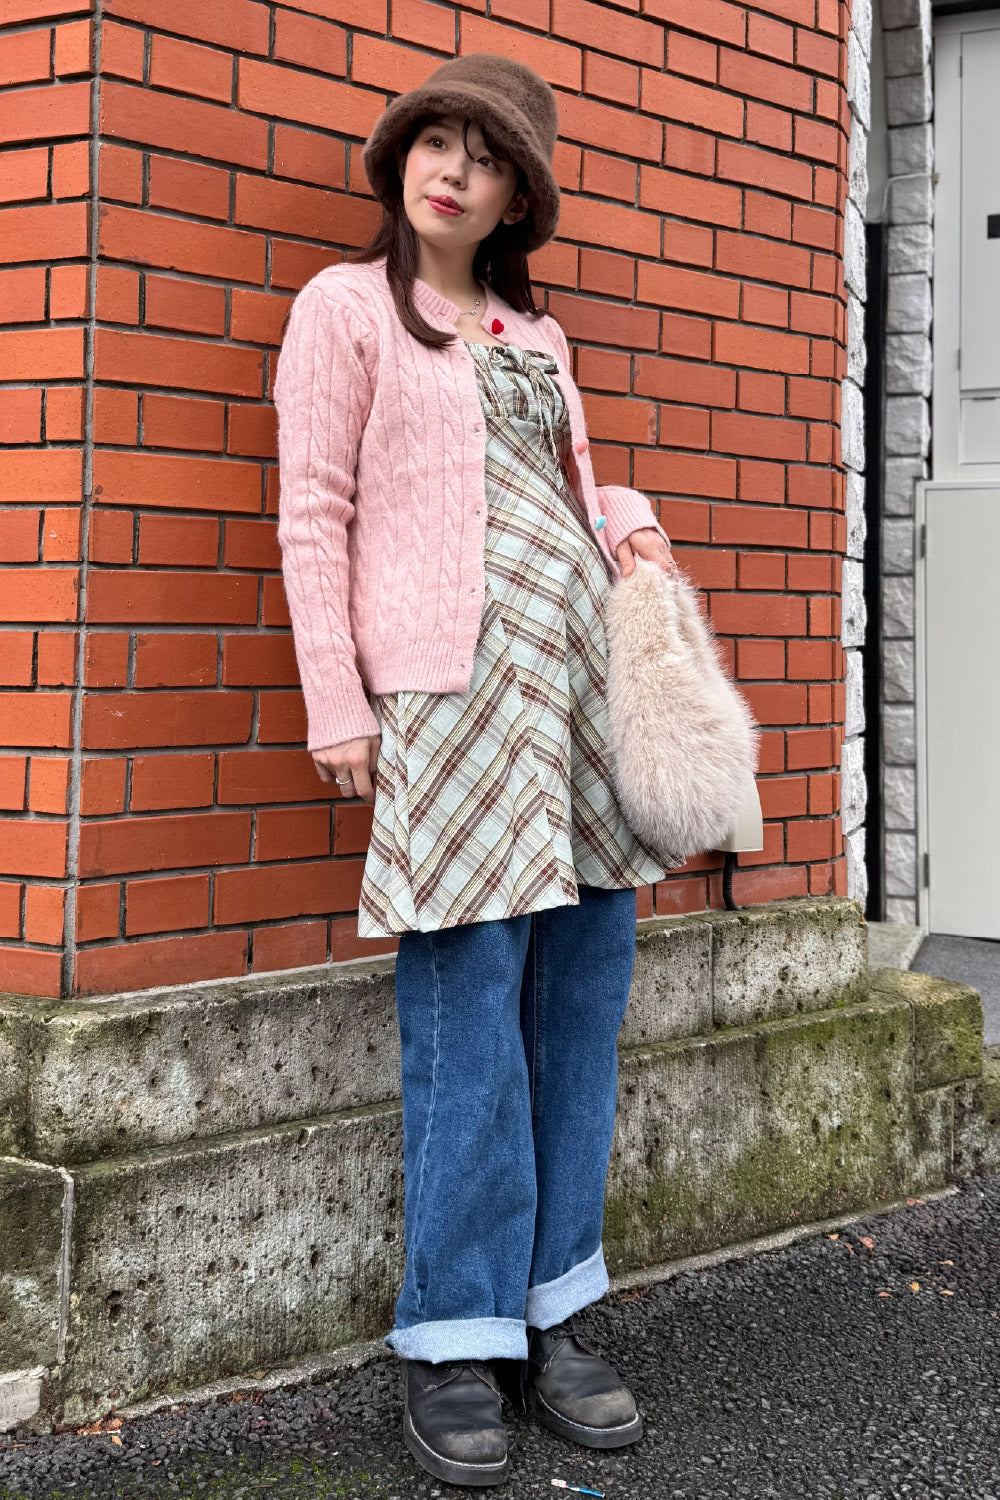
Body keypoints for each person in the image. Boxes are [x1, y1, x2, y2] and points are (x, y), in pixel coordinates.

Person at [273, 52, 681, 1489]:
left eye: (484, 155)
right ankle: (455, 1334)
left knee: (582, 1001)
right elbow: (313, 512)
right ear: (400, 165)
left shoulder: (534, 332)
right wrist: (342, 703)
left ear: (516, 194)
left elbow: (563, 487)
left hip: (576, 703)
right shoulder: (345, 312)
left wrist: (623, 518)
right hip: (449, 706)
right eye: (433, 143)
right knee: (464, 1014)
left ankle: (558, 1308)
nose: (451, 169)